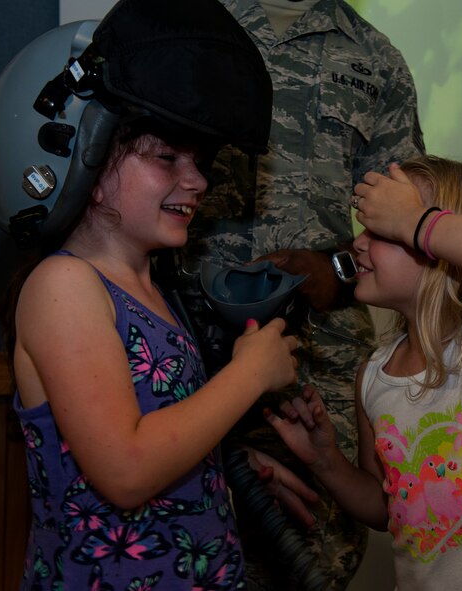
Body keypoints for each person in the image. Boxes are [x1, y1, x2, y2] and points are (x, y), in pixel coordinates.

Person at [0, 0, 302, 588]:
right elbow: (125, 468)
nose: (197, 180)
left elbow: (153, 427)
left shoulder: (149, 288)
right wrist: (248, 375)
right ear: (90, 163)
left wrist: (214, 473)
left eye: (200, 161)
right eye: (166, 157)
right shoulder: (64, 287)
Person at [177, 1, 425, 588]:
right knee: (183, 540)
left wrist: (335, 266)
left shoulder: (376, 59)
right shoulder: (186, 20)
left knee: (315, 554)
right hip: (186, 346)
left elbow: (408, 221)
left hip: (317, 363)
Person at [265, 155, 462, 589]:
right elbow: (387, 506)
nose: (357, 243)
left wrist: (413, 220)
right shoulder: (375, 375)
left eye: (383, 229)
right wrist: (326, 462)